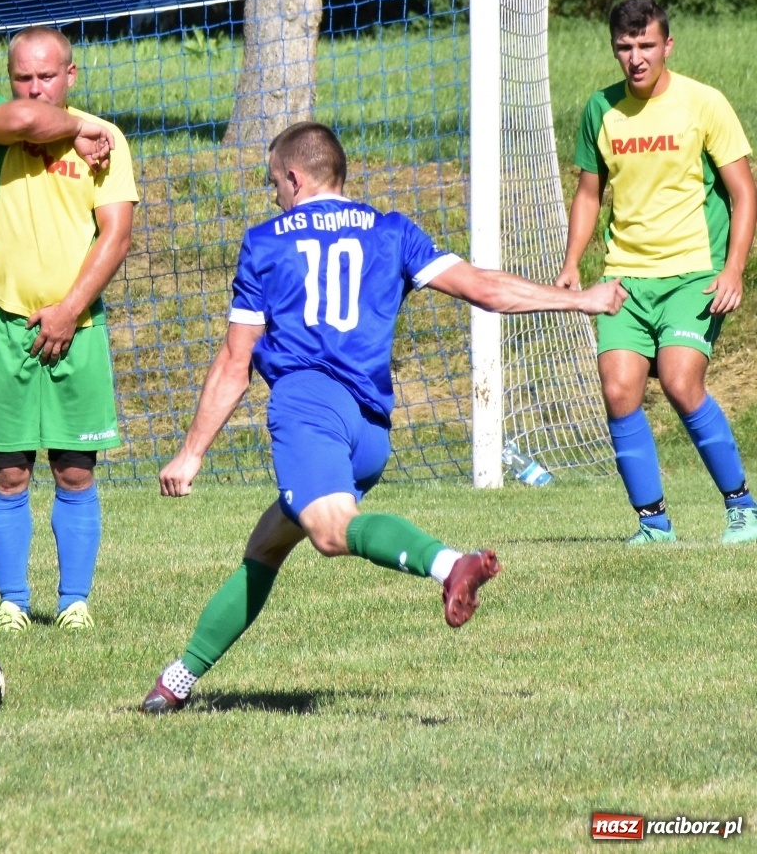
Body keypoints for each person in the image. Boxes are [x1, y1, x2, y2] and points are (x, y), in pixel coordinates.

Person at [141, 121, 628, 713]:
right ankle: (176, 681)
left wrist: (191, 452)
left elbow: (234, 361)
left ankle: (452, 564)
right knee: (266, 547)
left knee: (329, 530)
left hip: (308, 405)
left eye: (275, 182)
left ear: (294, 177)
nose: (274, 195)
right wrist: (580, 299)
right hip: (370, 430)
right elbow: (485, 289)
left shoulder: (265, 241)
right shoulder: (392, 230)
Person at [556, 0, 757, 545]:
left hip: (695, 274)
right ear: (614, 49)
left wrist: (734, 269)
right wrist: (574, 263)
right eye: (625, 47)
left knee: (680, 380)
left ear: (668, 44)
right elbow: (589, 193)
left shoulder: (704, 103)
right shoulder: (601, 108)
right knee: (619, 391)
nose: (636, 57)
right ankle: (654, 524)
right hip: (625, 277)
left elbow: (744, 192)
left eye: (646, 45)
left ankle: (742, 507)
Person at [0, 27, 135, 632]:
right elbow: (25, 122)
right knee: (8, 471)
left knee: (74, 470)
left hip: (78, 324)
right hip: (3, 320)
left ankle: (73, 605)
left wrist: (68, 311)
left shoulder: (106, 140)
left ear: (71, 75)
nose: (35, 88)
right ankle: (12, 604)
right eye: (23, 77)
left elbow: (116, 235)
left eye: (46, 76)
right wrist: (74, 128)